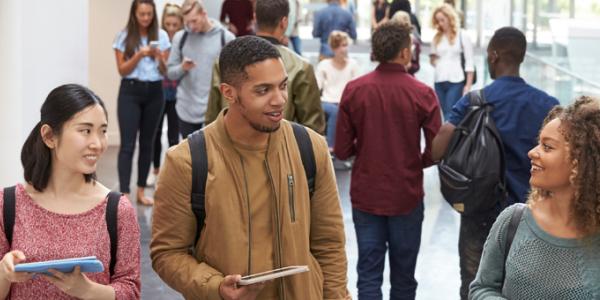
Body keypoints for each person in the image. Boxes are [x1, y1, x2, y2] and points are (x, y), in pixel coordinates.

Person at [151, 35, 349, 299]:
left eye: (283, 86)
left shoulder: (310, 148)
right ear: (229, 93)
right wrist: (215, 286)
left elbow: (330, 244)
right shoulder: (187, 161)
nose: (279, 100)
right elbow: (167, 253)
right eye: (263, 90)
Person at [431, 27, 559, 300]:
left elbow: (438, 148)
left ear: (494, 54)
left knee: (476, 285)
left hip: (480, 210)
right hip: (533, 213)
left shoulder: (475, 100)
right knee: (526, 288)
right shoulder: (548, 105)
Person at [0, 84, 141, 299]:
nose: (98, 143)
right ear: (49, 136)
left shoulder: (117, 209)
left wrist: (87, 290)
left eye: (102, 131)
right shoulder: (7, 204)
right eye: (85, 131)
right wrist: (4, 274)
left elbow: (131, 290)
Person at [335, 22, 441, 299]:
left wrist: (366, 145)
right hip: (406, 193)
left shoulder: (354, 90)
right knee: (404, 277)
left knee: (368, 275)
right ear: (405, 52)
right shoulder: (423, 94)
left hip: (366, 193)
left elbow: (343, 150)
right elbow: (437, 149)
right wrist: (416, 161)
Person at [470, 96, 600, 299]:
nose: (531, 153)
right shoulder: (513, 220)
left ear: (581, 162)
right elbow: (482, 288)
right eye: (538, 144)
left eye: (547, 147)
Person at [206, 0, 325, 134]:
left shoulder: (225, 61)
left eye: (283, 86)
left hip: (228, 147)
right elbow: (312, 127)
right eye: (263, 90)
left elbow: (212, 117)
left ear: (255, 17)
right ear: (284, 22)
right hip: (280, 148)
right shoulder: (300, 66)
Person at [113, 0, 170, 205]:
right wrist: (139, 54)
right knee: (127, 144)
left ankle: (140, 192)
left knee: (147, 143)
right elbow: (122, 70)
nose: (146, 18)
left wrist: (159, 58)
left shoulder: (161, 36)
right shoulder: (124, 36)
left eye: (149, 14)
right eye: (142, 14)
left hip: (155, 92)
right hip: (130, 91)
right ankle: (124, 194)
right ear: (134, 14)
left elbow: (165, 71)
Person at [167, 0, 235, 137]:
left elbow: (234, 77)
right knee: (191, 156)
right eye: (187, 23)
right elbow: (170, 73)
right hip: (186, 110)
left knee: (213, 156)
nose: (191, 26)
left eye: (194, 21)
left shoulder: (226, 38)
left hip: (214, 111)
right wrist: (182, 68)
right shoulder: (180, 38)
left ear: (204, 14)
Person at [152, 2, 183, 182]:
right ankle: (155, 170)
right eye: (168, 24)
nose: (171, 29)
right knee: (155, 132)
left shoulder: (183, 42)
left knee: (174, 135)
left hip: (177, 94)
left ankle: (172, 174)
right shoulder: (159, 42)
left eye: (175, 25)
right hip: (159, 92)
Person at [315, 30, 359, 152]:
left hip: (345, 102)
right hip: (327, 102)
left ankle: (348, 145)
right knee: (336, 111)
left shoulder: (353, 65)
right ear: (334, 48)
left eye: (345, 45)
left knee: (341, 110)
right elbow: (316, 87)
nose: (344, 49)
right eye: (341, 46)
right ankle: (331, 147)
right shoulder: (324, 65)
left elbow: (356, 88)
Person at [429, 3, 474, 120]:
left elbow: (469, 62)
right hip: (439, 80)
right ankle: (453, 137)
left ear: (450, 18)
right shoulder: (437, 37)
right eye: (437, 21)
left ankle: (450, 138)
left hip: (456, 80)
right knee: (445, 114)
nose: (440, 23)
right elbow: (433, 60)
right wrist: (434, 60)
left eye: (442, 20)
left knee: (451, 114)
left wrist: (468, 86)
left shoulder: (462, 35)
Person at [390, 10, 421, 75]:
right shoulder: (389, 41)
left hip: (408, 76)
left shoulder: (414, 43)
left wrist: (410, 66)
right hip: (391, 76)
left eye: (404, 25)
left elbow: (416, 66)